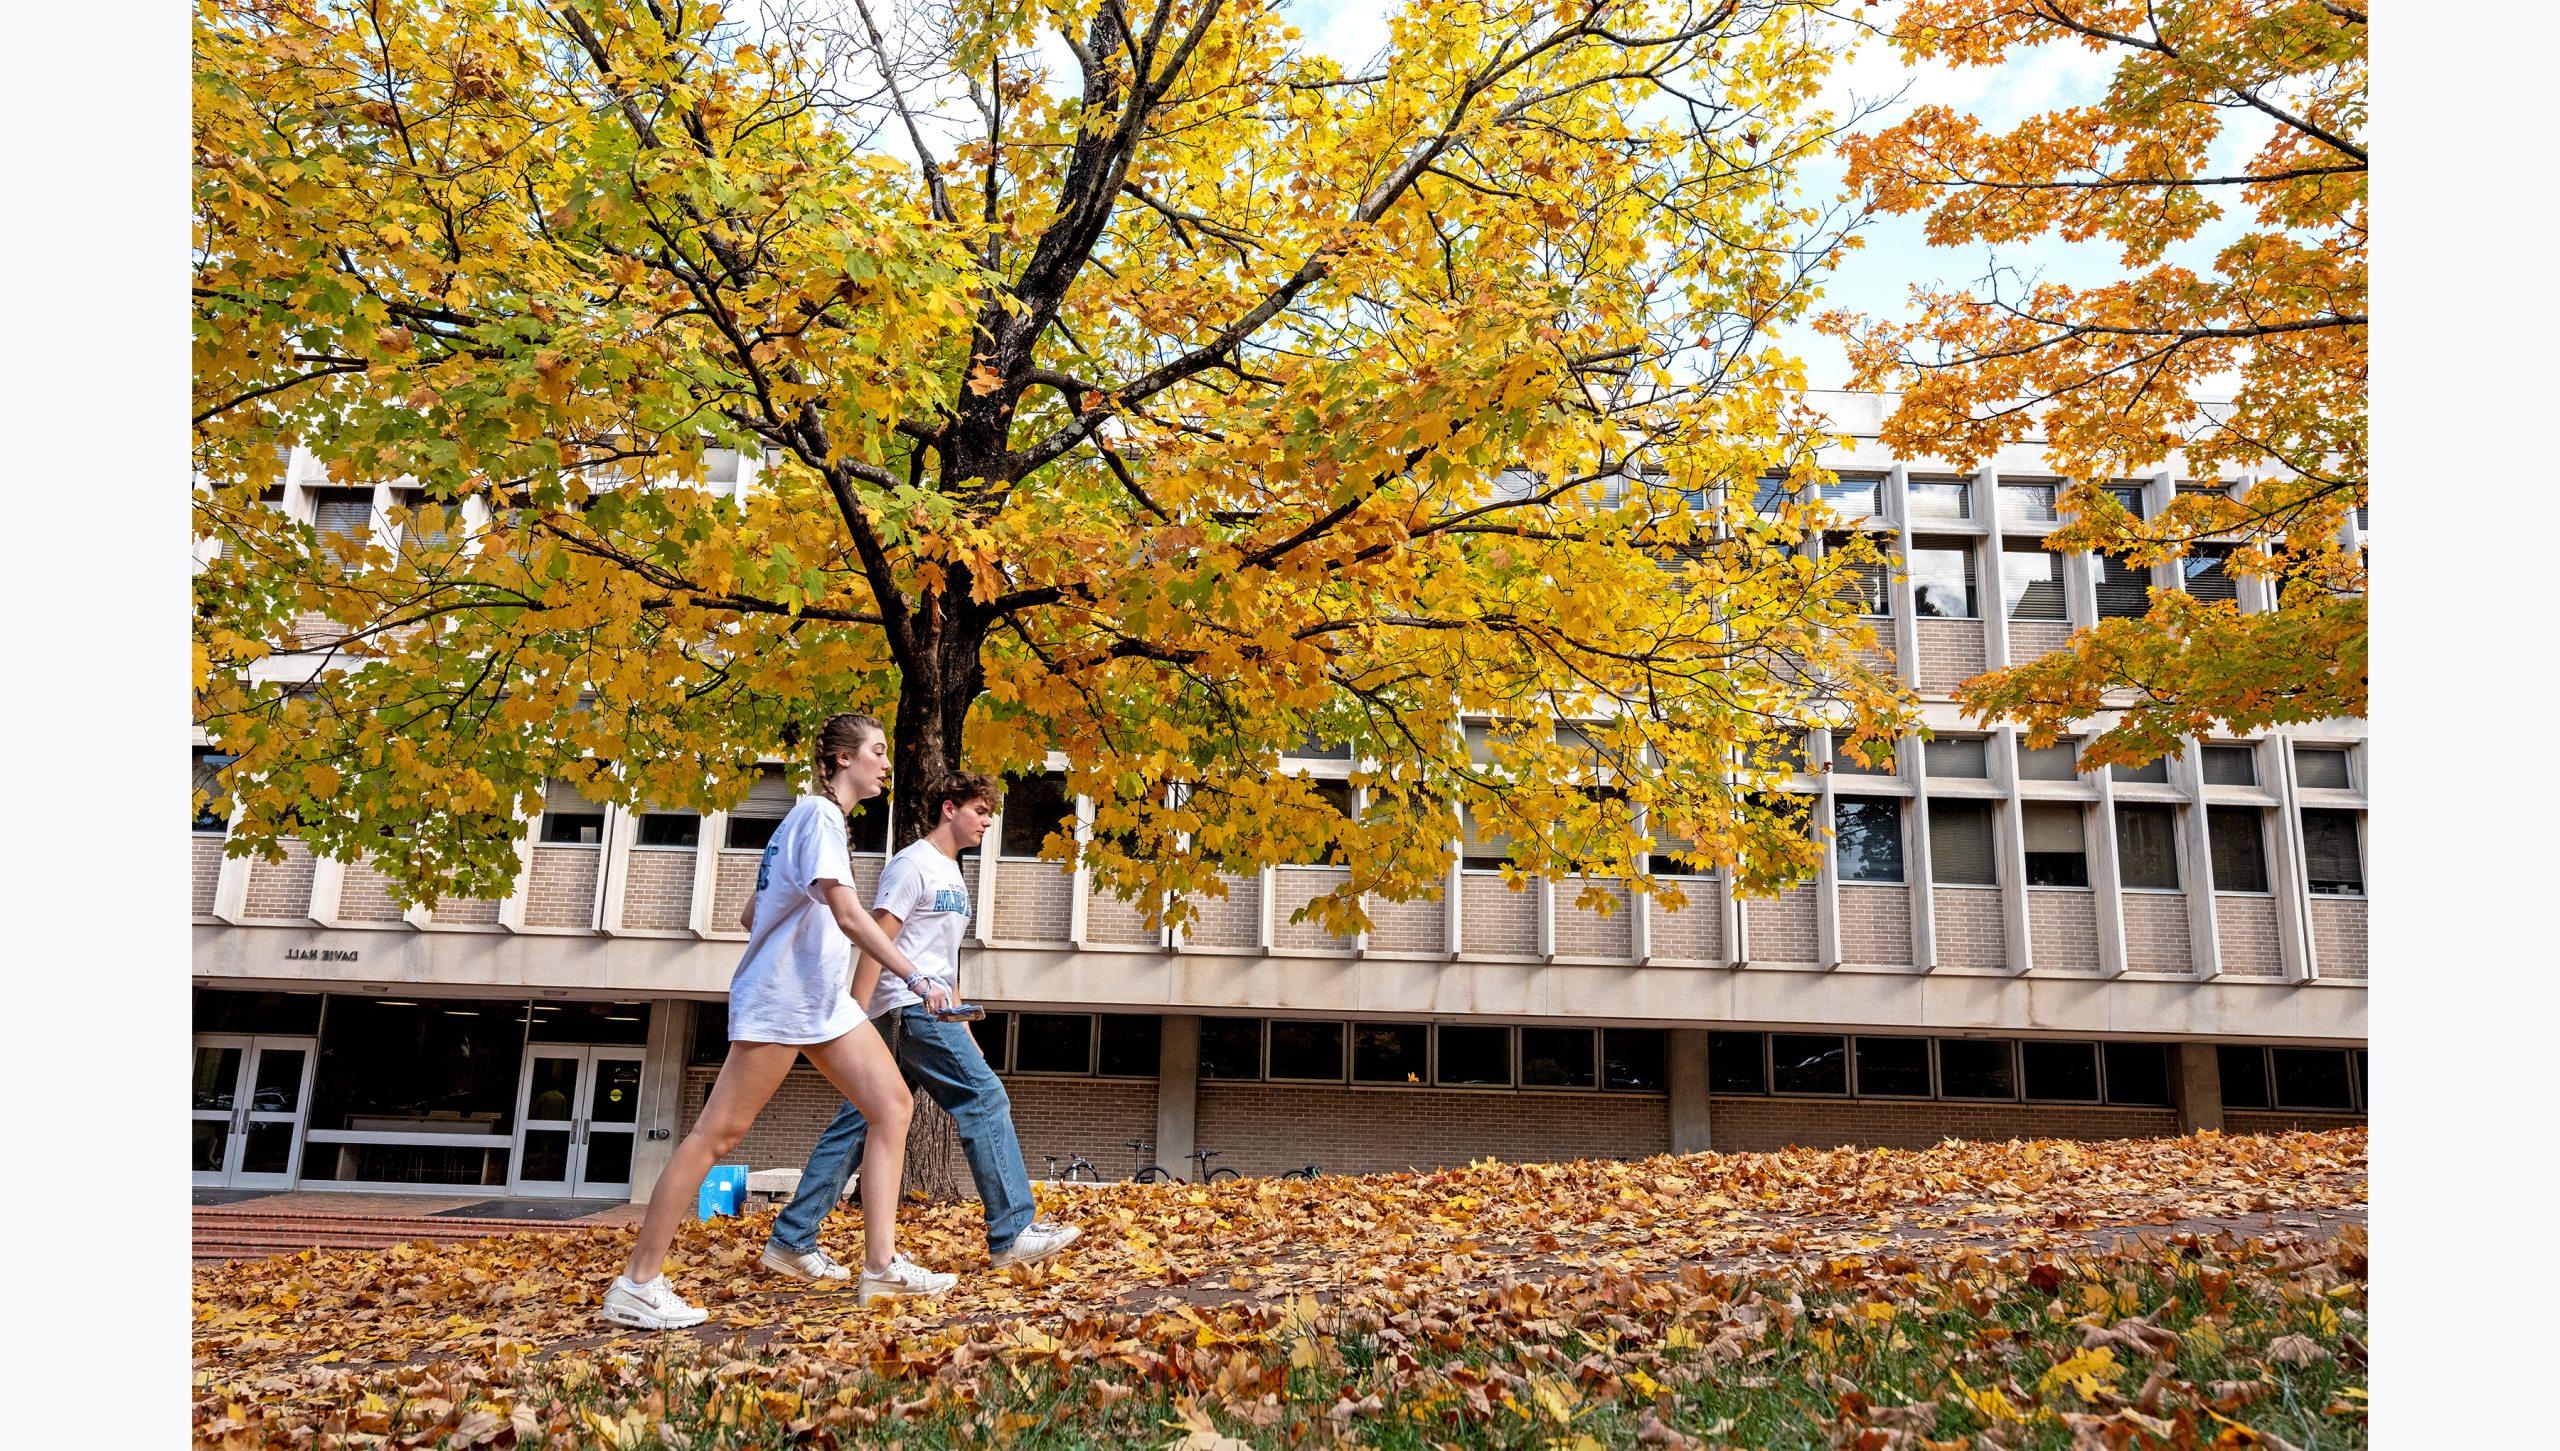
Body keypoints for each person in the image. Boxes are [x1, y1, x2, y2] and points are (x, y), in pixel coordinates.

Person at [599, 713, 959, 1330]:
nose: (885, 763)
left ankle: (880, 1267)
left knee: (893, 1106)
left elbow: (750, 913)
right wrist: (917, 976)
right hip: (783, 1001)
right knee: (719, 1135)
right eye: (876, 750)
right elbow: (848, 916)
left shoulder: (812, 822)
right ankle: (637, 1283)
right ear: (844, 758)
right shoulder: (819, 816)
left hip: (821, 1002)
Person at [754, 771, 1081, 1283]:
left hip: (929, 1011)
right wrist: (857, 1020)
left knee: (858, 1122)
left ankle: (791, 1238)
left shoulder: (952, 873)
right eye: (979, 811)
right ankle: (1012, 1231)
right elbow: (875, 940)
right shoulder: (912, 864)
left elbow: (940, 958)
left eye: (990, 814)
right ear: (949, 808)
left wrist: (960, 1019)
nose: (987, 822)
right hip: (906, 1009)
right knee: (984, 1098)